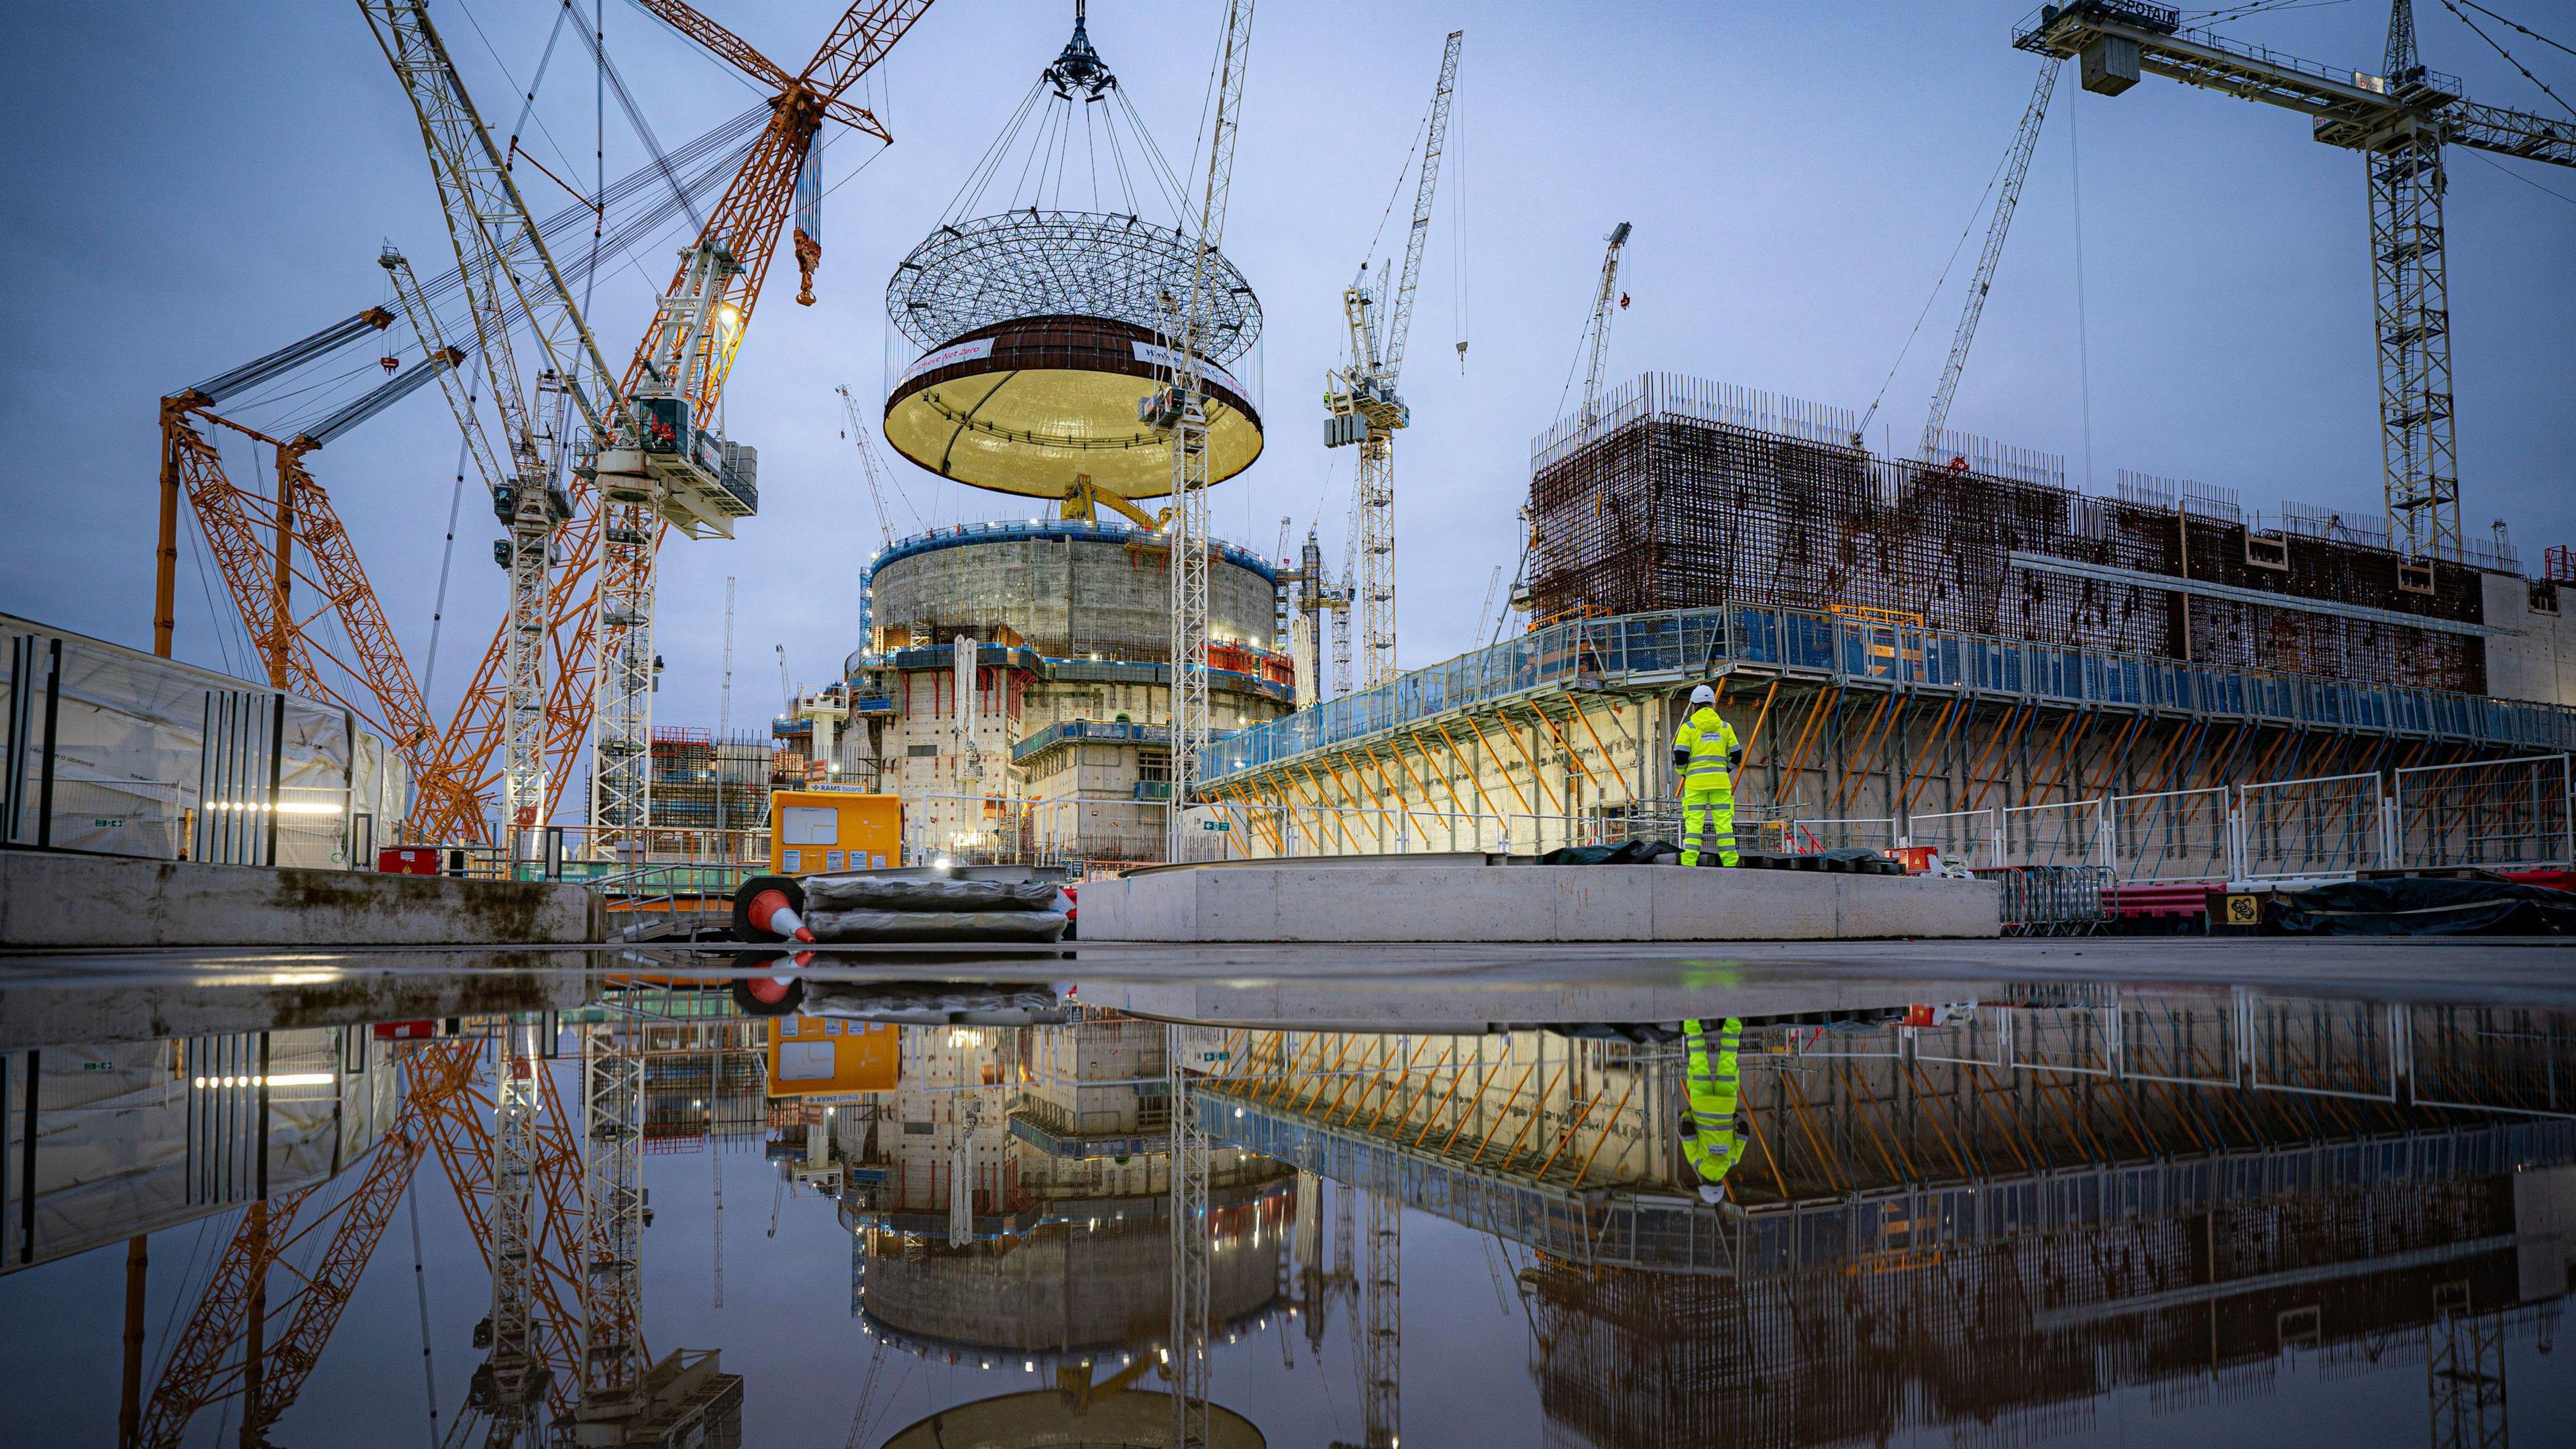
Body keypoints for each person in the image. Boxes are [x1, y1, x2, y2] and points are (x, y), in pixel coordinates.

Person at [1678, 1016, 1747, 1208]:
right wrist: (1688, 1114)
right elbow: (1687, 1130)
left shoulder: (1733, 1159)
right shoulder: (1697, 1160)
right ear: (1703, 1184)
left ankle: (1733, 1020)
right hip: (1701, 1103)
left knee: (1728, 1060)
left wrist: (1731, 1116)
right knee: (1699, 1060)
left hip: (1726, 1104)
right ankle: (1692, 1021)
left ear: (1721, 1184)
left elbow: (1744, 1130)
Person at [1672, 684, 1741, 867]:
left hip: (1696, 784)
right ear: (1713, 704)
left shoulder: (1689, 728)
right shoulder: (1725, 728)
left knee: (1694, 825)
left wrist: (1683, 772)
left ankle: (1689, 862)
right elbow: (1737, 755)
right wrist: (1724, 770)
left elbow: (1680, 754)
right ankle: (1730, 862)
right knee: (1724, 825)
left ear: (1694, 705)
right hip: (1720, 783)